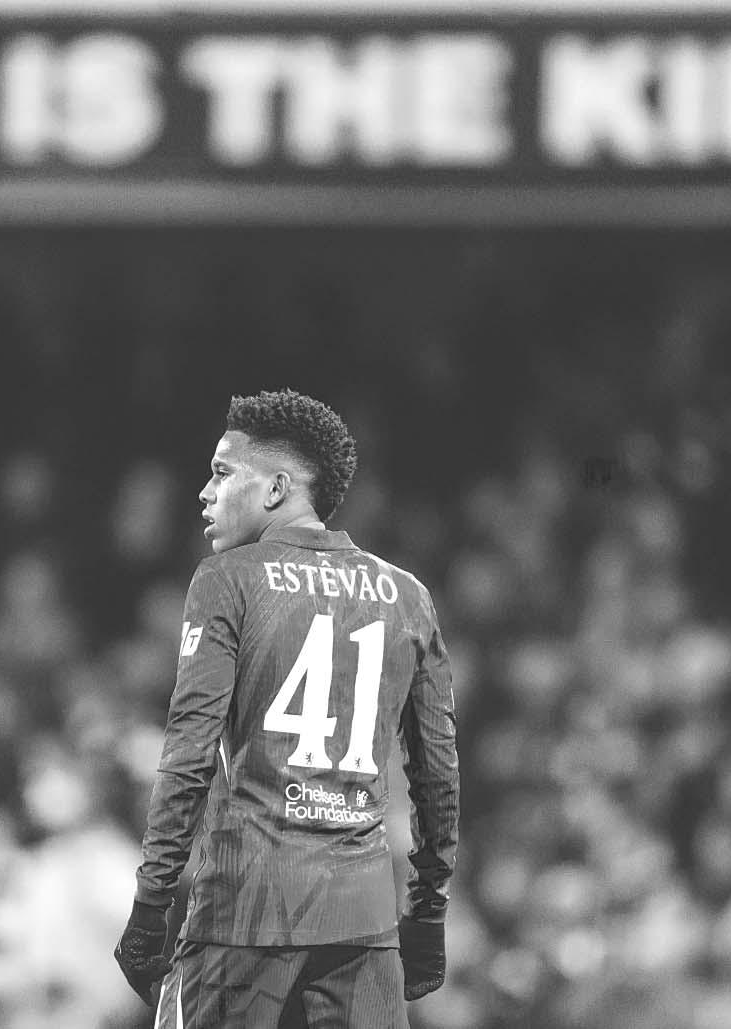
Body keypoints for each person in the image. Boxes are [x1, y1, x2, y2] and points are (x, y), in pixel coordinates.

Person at [114, 389, 460, 1028]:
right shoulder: (408, 596)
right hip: (362, 925)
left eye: (222, 473)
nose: (204, 493)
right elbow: (437, 774)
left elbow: (189, 756)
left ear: (276, 489)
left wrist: (151, 902)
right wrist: (429, 910)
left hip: (244, 911)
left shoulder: (228, 579)